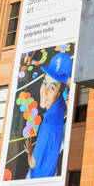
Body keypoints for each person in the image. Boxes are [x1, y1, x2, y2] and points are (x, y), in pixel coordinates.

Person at [24, 51, 72, 179]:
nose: (44, 92)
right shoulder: (60, 105)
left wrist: (30, 151)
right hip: (51, 171)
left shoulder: (48, 126)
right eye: (44, 83)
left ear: (58, 92)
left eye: (51, 88)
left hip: (36, 180)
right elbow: (68, 85)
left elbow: (32, 163)